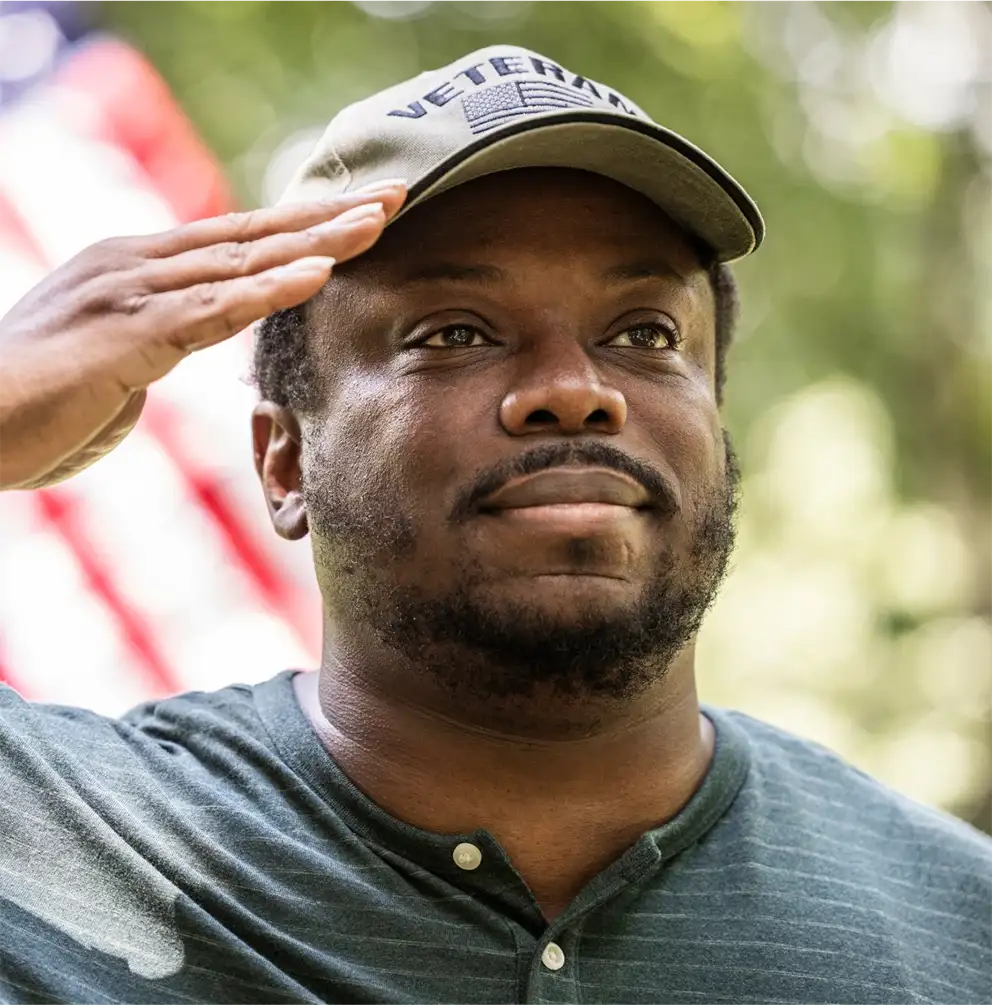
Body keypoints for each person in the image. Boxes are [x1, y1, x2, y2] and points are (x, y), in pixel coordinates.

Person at [0, 43, 989, 1005]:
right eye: (453, 333)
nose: (573, 390)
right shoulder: (44, 836)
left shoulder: (959, 925)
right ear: (285, 461)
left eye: (643, 333)